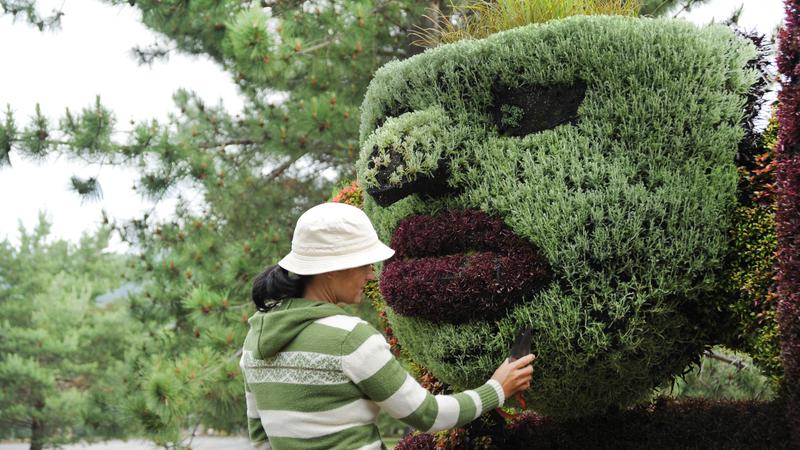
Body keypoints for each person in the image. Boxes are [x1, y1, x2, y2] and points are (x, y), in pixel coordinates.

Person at [240, 202, 535, 450]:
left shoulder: (254, 340)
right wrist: (497, 387)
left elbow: (260, 438)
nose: (371, 275)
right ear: (330, 270)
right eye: (364, 263)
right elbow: (427, 415)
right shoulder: (349, 338)